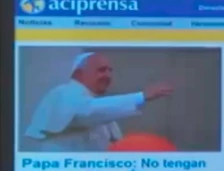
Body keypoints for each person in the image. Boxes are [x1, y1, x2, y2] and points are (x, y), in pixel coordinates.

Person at [24, 52, 173, 152]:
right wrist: (141, 97)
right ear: (79, 74)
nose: (108, 75)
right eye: (101, 70)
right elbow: (86, 112)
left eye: (110, 70)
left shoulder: (96, 102)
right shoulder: (63, 93)